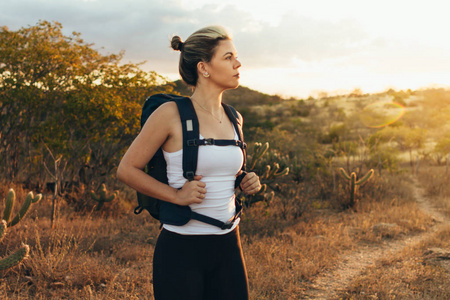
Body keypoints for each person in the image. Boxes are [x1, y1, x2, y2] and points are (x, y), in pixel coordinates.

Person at [117, 25, 261, 300]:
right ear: (204, 68)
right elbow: (126, 169)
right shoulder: (169, 114)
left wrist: (244, 179)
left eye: (236, 56)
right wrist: (176, 195)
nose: (238, 63)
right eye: (228, 57)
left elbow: (223, 169)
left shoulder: (234, 117)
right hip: (182, 250)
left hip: (230, 244)